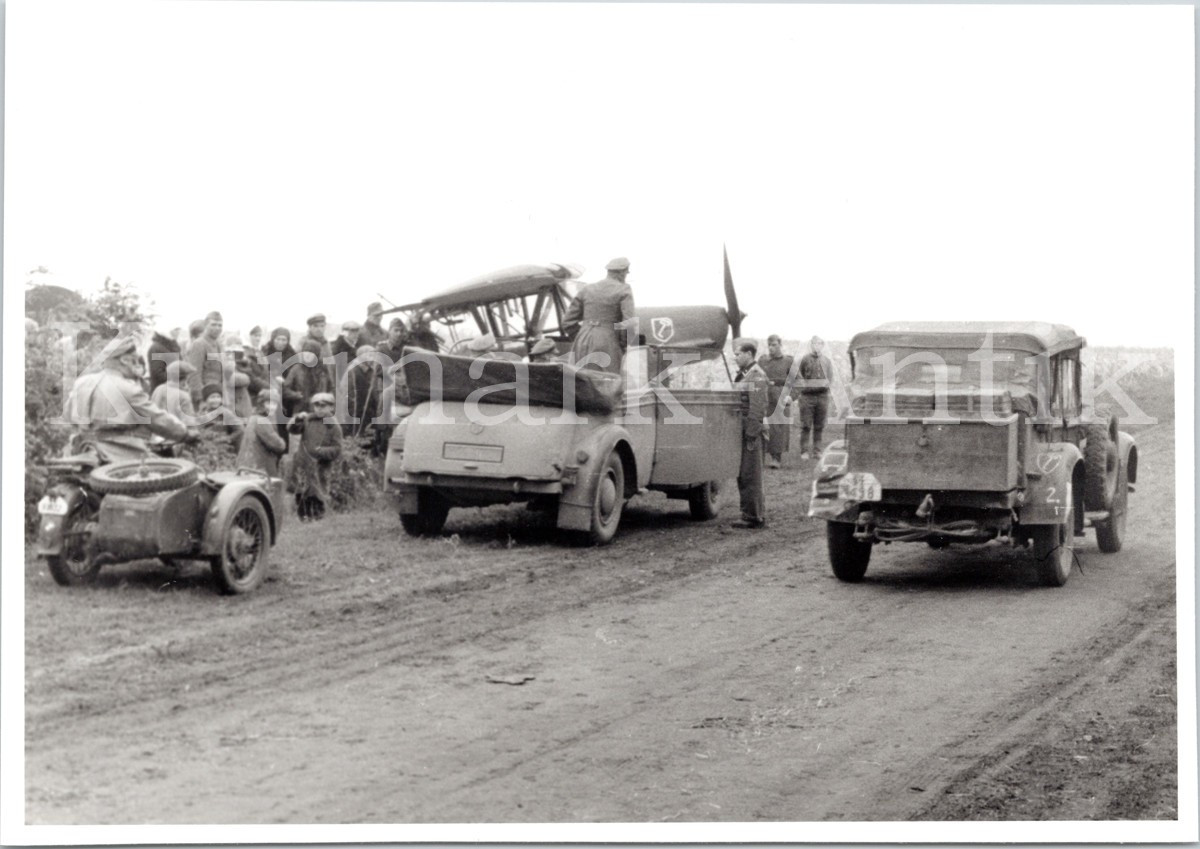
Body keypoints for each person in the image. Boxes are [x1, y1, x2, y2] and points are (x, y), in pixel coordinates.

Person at [65, 336, 191, 463]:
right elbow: (156, 419)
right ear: (125, 360)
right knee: (177, 474)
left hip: (83, 448)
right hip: (120, 452)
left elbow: (68, 415)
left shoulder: (81, 382)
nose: (137, 365)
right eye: (134, 360)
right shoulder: (128, 388)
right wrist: (185, 434)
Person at [562, 256, 636, 374]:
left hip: (582, 340)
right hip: (607, 341)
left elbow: (567, 322)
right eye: (626, 273)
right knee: (607, 384)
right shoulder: (624, 289)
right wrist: (622, 345)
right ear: (622, 273)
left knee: (580, 381)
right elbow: (628, 324)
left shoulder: (587, 289)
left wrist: (581, 335)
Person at [287, 392, 343, 521]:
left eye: (323, 406)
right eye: (316, 406)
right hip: (303, 464)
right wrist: (298, 419)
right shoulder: (308, 420)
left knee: (317, 495)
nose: (319, 409)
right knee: (301, 493)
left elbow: (337, 449)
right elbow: (292, 429)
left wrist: (321, 451)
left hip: (320, 466)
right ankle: (303, 519)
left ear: (331, 408)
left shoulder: (333, 426)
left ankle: (318, 519)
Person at [731, 339, 769, 529]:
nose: (735, 357)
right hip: (743, 428)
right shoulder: (745, 374)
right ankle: (750, 513)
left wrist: (752, 433)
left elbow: (757, 407)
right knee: (745, 473)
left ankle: (753, 516)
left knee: (751, 474)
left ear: (749, 354)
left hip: (750, 429)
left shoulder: (756, 376)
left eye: (738, 354)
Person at [758, 334, 795, 469]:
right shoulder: (762, 361)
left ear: (780, 345)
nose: (771, 348)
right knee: (761, 424)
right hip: (764, 395)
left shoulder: (788, 361)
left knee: (778, 427)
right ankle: (760, 458)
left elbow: (799, 380)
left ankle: (776, 458)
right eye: (769, 345)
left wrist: (792, 397)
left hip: (781, 395)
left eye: (774, 345)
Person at [794, 335, 834, 459]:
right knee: (806, 425)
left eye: (820, 344)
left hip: (822, 396)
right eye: (815, 343)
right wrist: (805, 388)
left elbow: (830, 378)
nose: (818, 346)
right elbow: (798, 377)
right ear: (811, 345)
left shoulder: (827, 361)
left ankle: (817, 451)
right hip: (807, 397)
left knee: (819, 425)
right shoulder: (804, 359)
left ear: (823, 345)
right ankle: (804, 451)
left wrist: (825, 386)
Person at [236, 389, 288, 475]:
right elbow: (279, 445)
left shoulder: (253, 417)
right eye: (268, 403)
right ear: (261, 404)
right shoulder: (262, 421)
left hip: (246, 465)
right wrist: (282, 442)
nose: (272, 407)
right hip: (258, 468)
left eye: (274, 404)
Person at [185, 311, 226, 406]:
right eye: (213, 325)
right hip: (206, 399)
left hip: (218, 397)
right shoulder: (199, 344)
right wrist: (200, 399)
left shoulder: (219, 345)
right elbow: (194, 374)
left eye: (220, 325)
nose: (217, 328)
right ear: (206, 325)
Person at [283, 339, 333, 416]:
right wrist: (296, 395)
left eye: (311, 353)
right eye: (305, 352)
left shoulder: (323, 369)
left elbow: (331, 388)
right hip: (301, 410)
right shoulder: (297, 368)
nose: (307, 355)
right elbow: (285, 389)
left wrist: (326, 399)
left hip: (320, 409)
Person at [198, 383, 244, 448]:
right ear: (205, 400)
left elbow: (240, 430)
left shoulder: (225, 413)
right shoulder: (201, 414)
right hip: (205, 444)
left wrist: (227, 439)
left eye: (218, 397)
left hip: (223, 445)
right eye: (212, 397)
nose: (216, 400)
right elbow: (198, 430)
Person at [146, 327, 182, 394]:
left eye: (178, 329)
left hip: (174, 390)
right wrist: (180, 376)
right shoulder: (156, 348)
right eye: (175, 329)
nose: (178, 332)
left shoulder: (173, 346)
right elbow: (158, 374)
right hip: (162, 392)